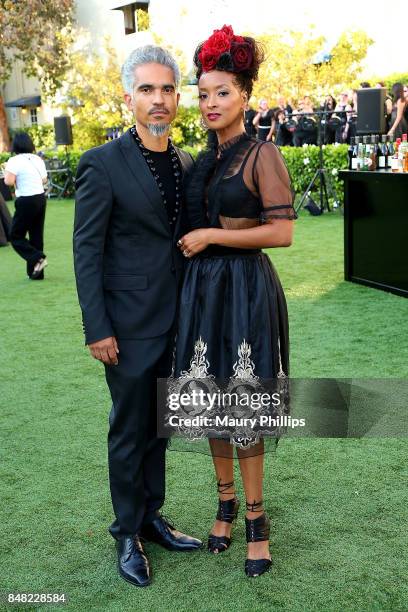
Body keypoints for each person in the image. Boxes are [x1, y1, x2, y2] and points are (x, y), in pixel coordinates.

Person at [73, 45, 202, 589]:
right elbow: (86, 251)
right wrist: (97, 328)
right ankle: (126, 531)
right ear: (128, 97)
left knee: (161, 428)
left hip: (178, 321)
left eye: (167, 89)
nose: (159, 99)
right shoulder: (101, 164)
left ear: (177, 97)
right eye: (147, 89)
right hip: (125, 326)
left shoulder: (186, 160)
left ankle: (151, 518)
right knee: (129, 430)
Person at [173, 25, 297, 578]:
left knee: (243, 406)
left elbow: (282, 234)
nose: (209, 103)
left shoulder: (262, 153)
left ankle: (256, 520)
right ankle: (223, 506)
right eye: (202, 94)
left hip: (247, 289)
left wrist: (213, 238)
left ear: (244, 94)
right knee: (209, 404)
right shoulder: (201, 160)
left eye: (221, 92)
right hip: (204, 293)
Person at [4, 132, 48, 279]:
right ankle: (36, 274)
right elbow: (44, 180)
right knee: (36, 236)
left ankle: (38, 257)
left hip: (26, 200)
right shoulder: (37, 159)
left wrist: (7, 172)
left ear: (15, 145)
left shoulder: (14, 160)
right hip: (40, 198)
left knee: (15, 236)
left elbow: (9, 182)